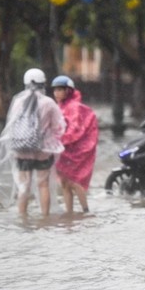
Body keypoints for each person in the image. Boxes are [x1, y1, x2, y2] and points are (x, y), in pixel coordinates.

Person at [0, 68, 65, 217]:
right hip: (42, 151)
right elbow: (59, 126)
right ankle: (44, 219)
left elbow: (12, 124)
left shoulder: (18, 101)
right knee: (43, 184)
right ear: (43, 83)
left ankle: (22, 219)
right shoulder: (48, 103)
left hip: (21, 149)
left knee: (23, 186)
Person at [51, 75, 99, 213]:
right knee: (65, 183)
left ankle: (85, 210)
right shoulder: (59, 107)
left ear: (68, 91)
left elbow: (75, 129)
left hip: (75, 150)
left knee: (74, 182)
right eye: (55, 90)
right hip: (63, 150)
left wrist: (62, 139)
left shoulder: (74, 107)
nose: (56, 93)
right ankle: (69, 213)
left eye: (60, 90)